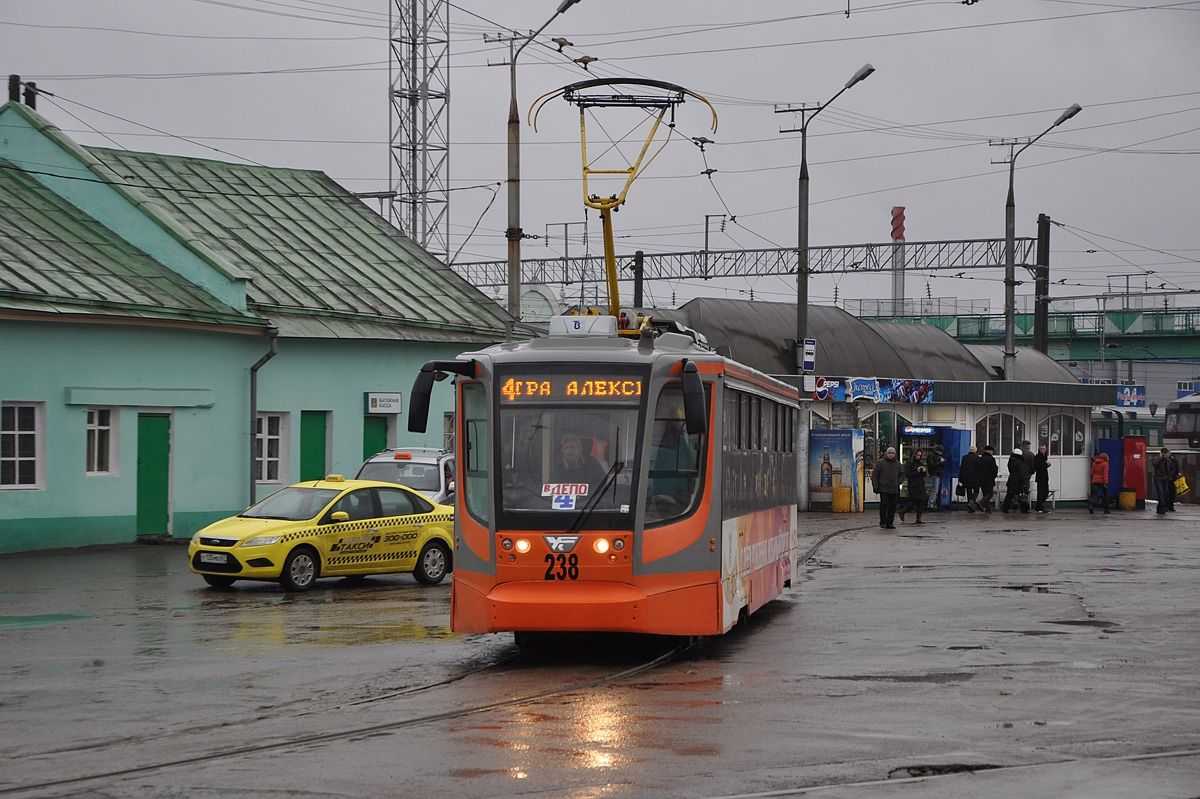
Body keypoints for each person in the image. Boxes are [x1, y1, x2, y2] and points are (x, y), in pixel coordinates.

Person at [870, 446, 903, 530]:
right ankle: (883, 522)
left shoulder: (898, 464)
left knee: (892, 506)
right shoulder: (880, 463)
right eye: (889, 453)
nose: (891, 455)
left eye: (892, 453)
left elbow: (902, 474)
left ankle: (890, 523)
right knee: (884, 505)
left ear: (895, 454)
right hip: (883, 488)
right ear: (886, 453)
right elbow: (874, 475)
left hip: (893, 488)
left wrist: (898, 482)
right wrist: (876, 486)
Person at [900, 448, 927, 525]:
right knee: (913, 502)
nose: (919, 457)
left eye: (920, 455)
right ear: (914, 455)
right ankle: (903, 511)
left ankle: (918, 518)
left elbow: (923, 475)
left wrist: (924, 471)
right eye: (917, 455)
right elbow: (908, 474)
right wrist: (916, 471)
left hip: (920, 484)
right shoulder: (909, 463)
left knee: (921, 501)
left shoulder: (921, 463)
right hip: (913, 484)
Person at [1001, 447, 1031, 514]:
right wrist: (1023, 481)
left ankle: (1005, 508)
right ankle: (1024, 509)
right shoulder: (1020, 463)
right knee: (1021, 495)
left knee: (1009, 495)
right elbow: (1021, 473)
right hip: (1018, 481)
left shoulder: (1010, 462)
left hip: (1011, 480)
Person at [1153, 447, 1179, 515]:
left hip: (1165, 479)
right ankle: (1162, 509)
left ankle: (1160, 508)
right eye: (1163, 453)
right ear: (1161, 453)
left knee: (1165, 494)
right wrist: (1161, 457)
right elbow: (1155, 464)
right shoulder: (1157, 459)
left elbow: (1173, 469)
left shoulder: (1169, 461)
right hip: (1158, 479)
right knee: (1161, 494)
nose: (1165, 455)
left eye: (1166, 453)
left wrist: (1169, 476)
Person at [959, 445, 982, 513]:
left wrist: (961, 478)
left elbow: (962, 468)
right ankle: (971, 503)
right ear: (975, 451)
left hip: (966, 478)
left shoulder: (964, 458)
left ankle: (970, 507)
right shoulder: (977, 458)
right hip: (975, 478)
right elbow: (979, 470)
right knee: (976, 491)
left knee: (969, 491)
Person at [978, 445, 999, 514]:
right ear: (990, 451)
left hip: (981, 479)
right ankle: (981, 503)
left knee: (985, 494)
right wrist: (993, 476)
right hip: (989, 479)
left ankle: (988, 510)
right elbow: (994, 469)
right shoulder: (991, 459)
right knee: (990, 494)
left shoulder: (980, 458)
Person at [925, 444, 945, 511]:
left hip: (937, 474)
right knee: (934, 490)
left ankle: (933, 504)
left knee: (935, 490)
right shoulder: (931, 456)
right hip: (934, 474)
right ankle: (930, 505)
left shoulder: (935, 455)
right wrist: (940, 462)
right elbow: (932, 465)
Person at [1033, 443, 1052, 513]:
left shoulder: (1045, 456)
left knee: (1045, 492)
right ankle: (1039, 507)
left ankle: (1040, 506)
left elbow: (1044, 466)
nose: (1042, 450)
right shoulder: (1037, 457)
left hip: (1045, 476)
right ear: (1039, 449)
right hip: (1040, 477)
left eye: (1044, 449)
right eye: (1041, 449)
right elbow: (1037, 466)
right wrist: (1045, 464)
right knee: (1041, 492)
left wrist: (1047, 465)